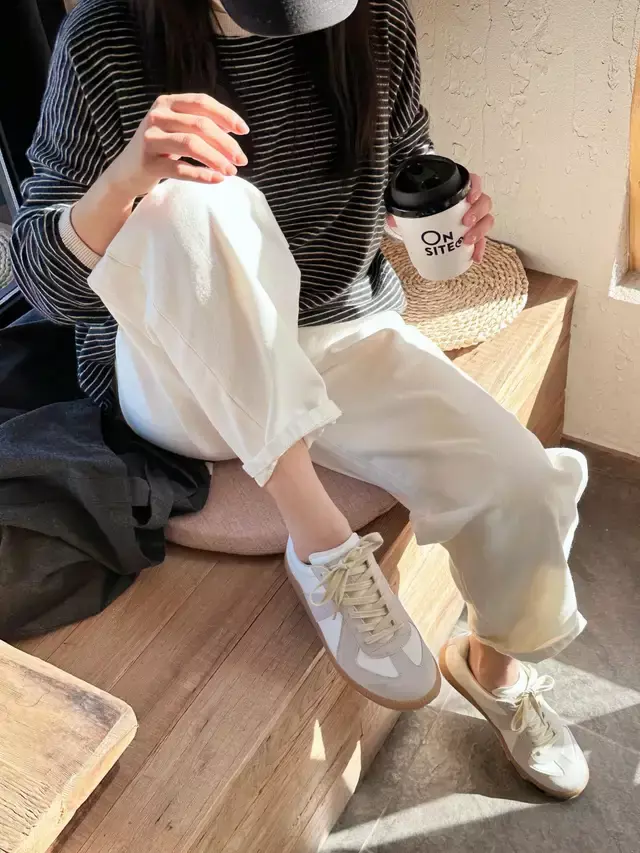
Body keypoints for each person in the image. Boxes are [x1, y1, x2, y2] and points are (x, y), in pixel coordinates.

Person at [11, 0, 589, 799]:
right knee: (196, 199)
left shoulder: (375, 21)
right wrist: (126, 178)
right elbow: (43, 283)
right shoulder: (108, 39)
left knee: (518, 478)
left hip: (336, 328)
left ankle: (495, 672)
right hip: (175, 360)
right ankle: (318, 538)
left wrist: (430, 202)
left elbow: (400, 153)